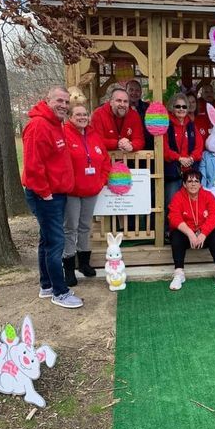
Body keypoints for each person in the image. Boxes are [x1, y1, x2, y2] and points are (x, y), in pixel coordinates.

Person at [22, 86, 83, 309]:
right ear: (47, 100)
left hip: (55, 193)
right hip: (46, 196)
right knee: (56, 242)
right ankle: (60, 292)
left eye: (66, 102)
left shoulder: (56, 124)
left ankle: (46, 285)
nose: (63, 105)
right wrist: (45, 193)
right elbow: (32, 166)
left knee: (46, 240)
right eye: (59, 101)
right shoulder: (39, 125)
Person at [62, 104, 111, 287]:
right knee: (70, 227)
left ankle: (84, 263)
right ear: (70, 117)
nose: (82, 117)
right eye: (78, 115)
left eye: (85, 114)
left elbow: (105, 160)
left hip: (91, 190)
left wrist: (101, 181)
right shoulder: (64, 134)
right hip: (72, 191)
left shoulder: (94, 135)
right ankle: (68, 267)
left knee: (85, 226)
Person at [168, 169, 215, 290]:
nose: (193, 184)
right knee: (175, 235)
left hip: (203, 236)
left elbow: (214, 215)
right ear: (184, 184)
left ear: (200, 184)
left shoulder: (208, 195)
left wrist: (203, 233)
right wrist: (190, 233)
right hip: (187, 236)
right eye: (190, 181)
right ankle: (179, 273)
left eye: (196, 181)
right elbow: (173, 217)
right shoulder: (178, 196)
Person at [163, 93, 204, 227]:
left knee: (190, 202)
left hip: (189, 171)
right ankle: (170, 230)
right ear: (172, 107)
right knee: (172, 201)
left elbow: (199, 146)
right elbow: (164, 148)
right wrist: (179, 158)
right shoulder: (166, 125)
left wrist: (191, 158)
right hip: (173, 171)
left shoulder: (191, 124)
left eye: (184, 106)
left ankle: (190, 228)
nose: (181, 109)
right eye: (178, 106)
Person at [91, 87, 145, 152]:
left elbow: (139, 139)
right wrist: (117, 143)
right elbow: (96, 140)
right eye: (119, 100)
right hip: (104, 157)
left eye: (125, 101)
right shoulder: (98, 114)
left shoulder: (134, 115)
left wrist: (132, 146)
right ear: (111, 102)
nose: (122, 104)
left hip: (128, 156)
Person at [126, 79, 153, 150]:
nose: (134, 93)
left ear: (141, 93)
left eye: (137, 90)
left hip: (147, 149)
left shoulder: (148, 108)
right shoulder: (122, 108)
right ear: (126, 91)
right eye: (131, 90)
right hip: (125, 148)